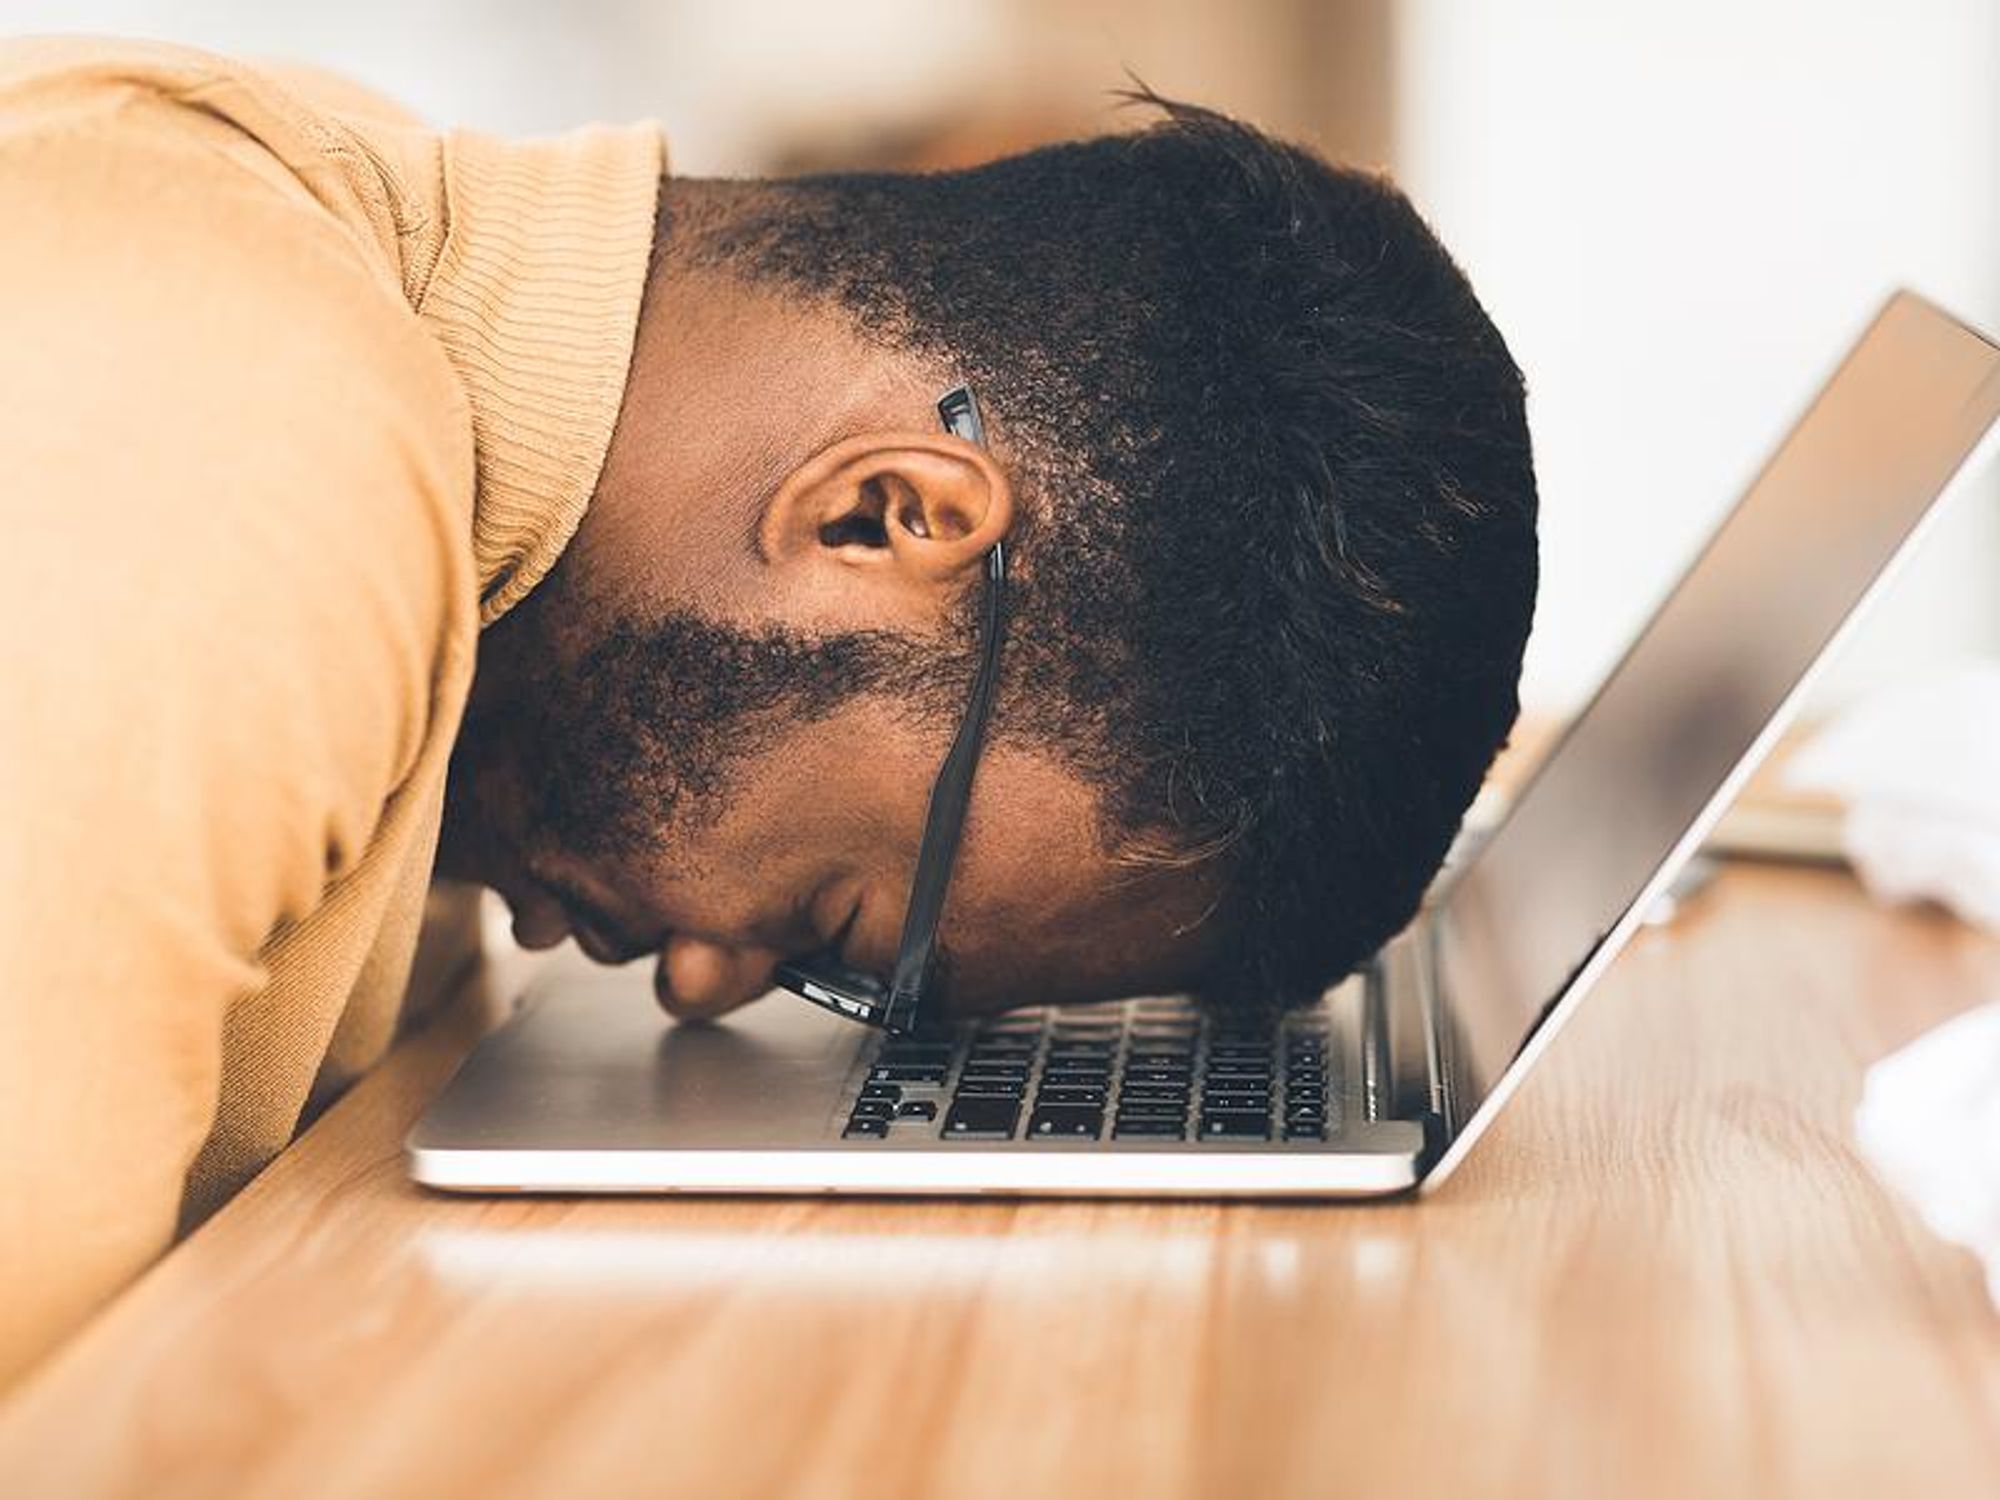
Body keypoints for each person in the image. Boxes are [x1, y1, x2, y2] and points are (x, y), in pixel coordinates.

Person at [0, 34, 1538, 1385]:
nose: (697, 980)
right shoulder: (244, 427)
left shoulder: (355, 263)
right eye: (832, 931)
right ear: (882, 517)